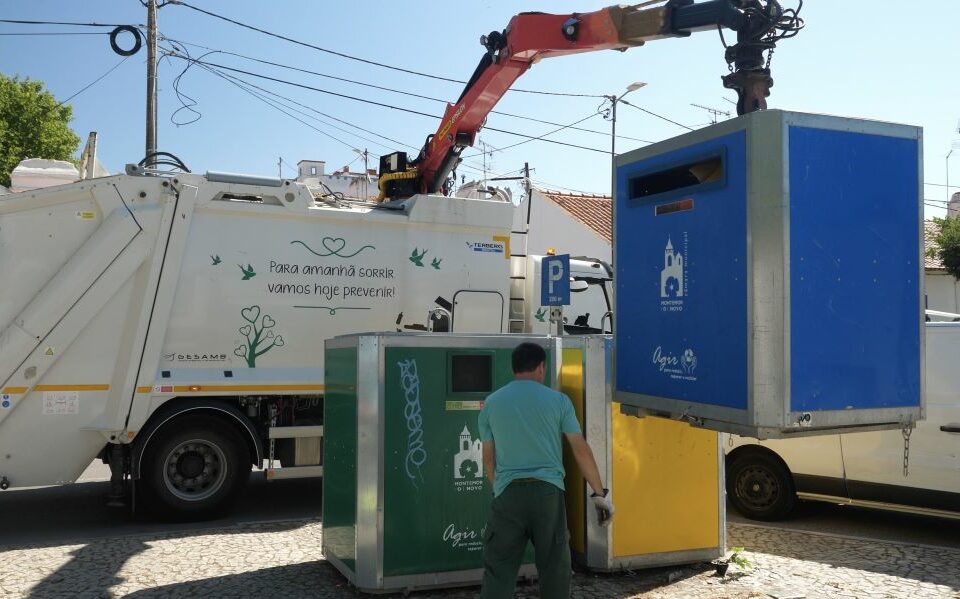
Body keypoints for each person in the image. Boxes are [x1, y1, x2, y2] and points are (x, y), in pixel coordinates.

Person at [478, 342, 614, 599]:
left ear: (513, 368)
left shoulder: (491, 404)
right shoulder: (559, 401)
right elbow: (580, 449)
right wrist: (599, 494)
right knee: (555, 569)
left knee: (499, 569)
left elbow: (487, 459)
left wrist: (499, 487)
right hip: (548, 495)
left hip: (507, 493)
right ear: (541, 368)